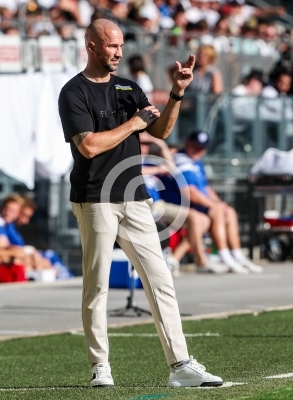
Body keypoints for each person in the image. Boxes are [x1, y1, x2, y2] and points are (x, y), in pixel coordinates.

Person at [58, 18, 223, 388]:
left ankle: (180, 365)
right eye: (111, 45)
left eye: (120, 46)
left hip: (135, 195)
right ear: (92, 47)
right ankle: (100, 366)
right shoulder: (74, 91)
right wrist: (134, 124)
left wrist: (177, 94)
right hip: (94, 197)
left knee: (160, 279)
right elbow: (88, 146)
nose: (118, 52)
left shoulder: (129, 87)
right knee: (96, 286)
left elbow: (160, 130)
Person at [160, 130, 263, 274]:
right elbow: (191, 192)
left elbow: (206, 189)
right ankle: (223, 256)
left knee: (228, 211)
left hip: (194, 206)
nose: (198, 150)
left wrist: (220, 203)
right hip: (180, 204)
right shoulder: (181, 159)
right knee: (213, 214)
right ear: (187, 143)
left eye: (201, 147)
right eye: (195, 146)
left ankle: (237, 255)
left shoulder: (196, 162)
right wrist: (214, 206)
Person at [140, 131, 227, 275]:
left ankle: (174, 258)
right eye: (141, 143)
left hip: (158, 204)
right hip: (145, 205)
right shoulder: (130, 160)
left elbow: (172, 168)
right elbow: (134, 171)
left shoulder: (151, 160)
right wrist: (157, 169)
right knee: (193, 217)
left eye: (147, 144)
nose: (144, 147)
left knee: (204, 220)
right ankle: (202, 262)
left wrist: (160, 143)